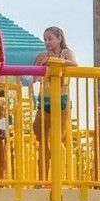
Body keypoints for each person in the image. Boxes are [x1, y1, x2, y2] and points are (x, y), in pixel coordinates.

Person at [32, 26, 77, 173]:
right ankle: (42, 178)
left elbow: (74, 64)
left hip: (61, 100)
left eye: (50, 39)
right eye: (45, 39)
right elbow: (35, 77)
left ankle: (58, 177)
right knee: (41, 138)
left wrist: (55, 61)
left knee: (57, 139)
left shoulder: (66, 53)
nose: (47, 42)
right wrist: (38, 68)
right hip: (44, 99)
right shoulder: (42, 56)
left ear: (59, 39)